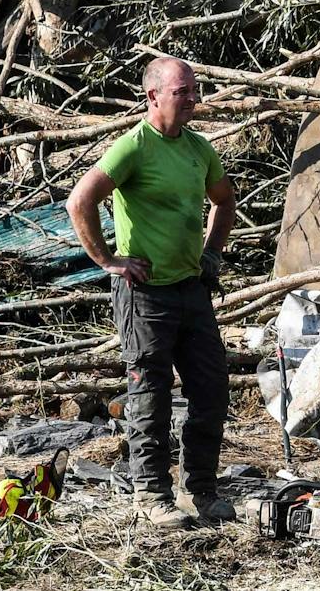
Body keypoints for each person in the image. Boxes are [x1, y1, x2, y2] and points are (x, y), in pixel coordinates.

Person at [68, 56, 236, 528]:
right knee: (150, 395)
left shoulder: (199, 149)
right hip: (146, 296)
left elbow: (225, 200)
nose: (192, 99)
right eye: (182, 91)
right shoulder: (133, 148)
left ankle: (201, 489)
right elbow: (80, 200)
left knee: (211, 388)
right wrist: (107, 260)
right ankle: (151, 494)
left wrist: (211, 256)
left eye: (194, 90)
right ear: (153, 96)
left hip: (191, 289)